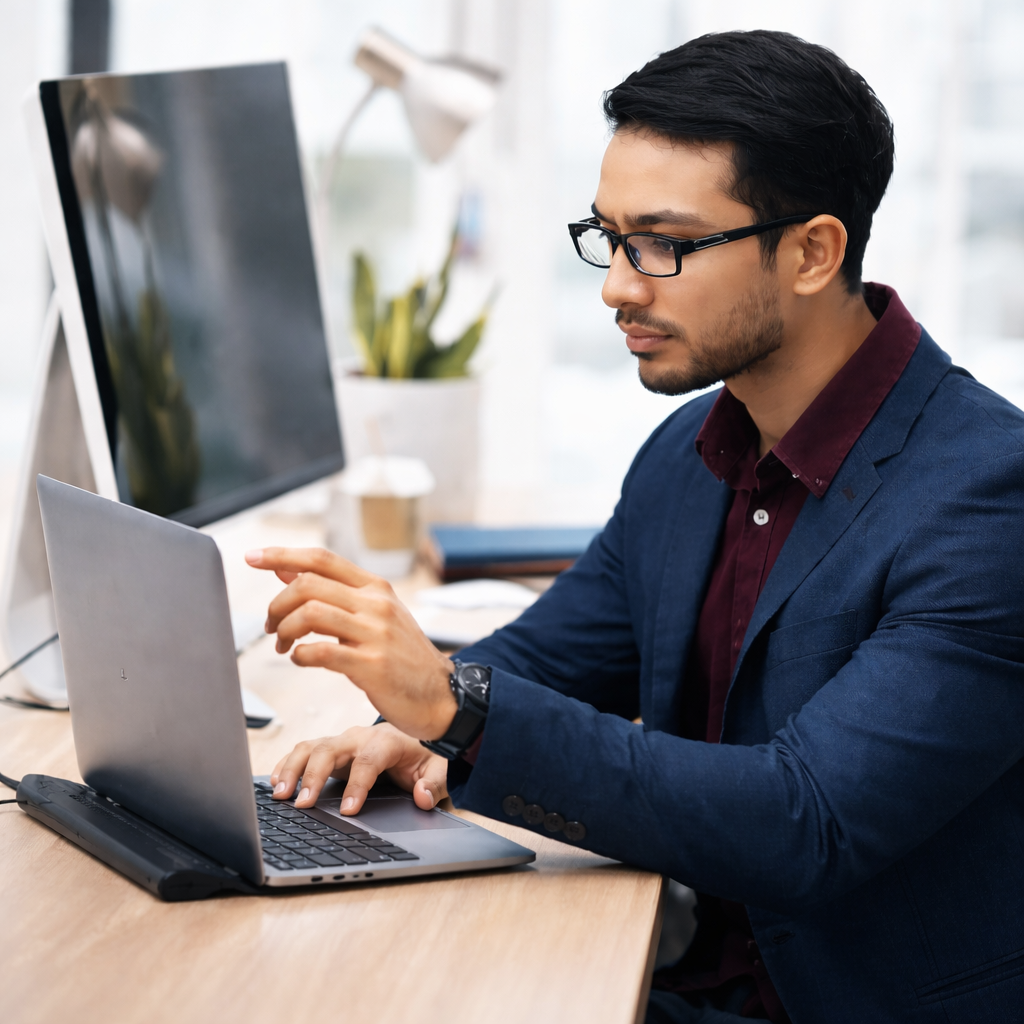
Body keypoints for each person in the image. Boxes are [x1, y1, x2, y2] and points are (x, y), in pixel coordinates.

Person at [244, 30, 1024, 1024]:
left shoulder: (989, 498)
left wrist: (458, 710)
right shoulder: (688, 454)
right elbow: (548, 657)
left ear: (812, 252)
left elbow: (806, 821)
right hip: (673, 968)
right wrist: (406, 724)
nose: (617, 284)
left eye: (663, 243)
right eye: (608, 236)